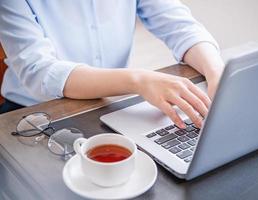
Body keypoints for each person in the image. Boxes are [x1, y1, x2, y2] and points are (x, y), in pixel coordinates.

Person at [0, 0, 224, 128]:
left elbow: (180, 25)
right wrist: (139, 79)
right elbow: (40, 71)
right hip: (33, 111)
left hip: (108, 102)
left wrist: (217, 74)